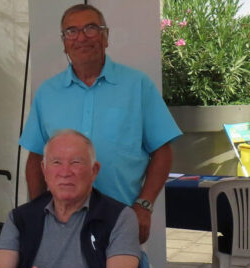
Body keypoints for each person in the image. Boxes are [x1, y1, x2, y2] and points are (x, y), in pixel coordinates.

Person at [20, 4, 182, 244]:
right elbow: (35, 158)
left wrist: (144, 206)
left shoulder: (137, 85)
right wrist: (37, 209)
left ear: (106, 37)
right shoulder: (47, 93)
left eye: (91, 28)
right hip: (61, 220)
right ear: (64, 43)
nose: (81, 37)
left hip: (121, 218)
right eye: (71, 32)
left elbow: (162, 151)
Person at [0, 130, 141, 268]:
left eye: (76, 162)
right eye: (56, 162)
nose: (65, 172)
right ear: (44, 170)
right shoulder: (21, 218)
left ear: (94, 170)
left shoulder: (119, 217)